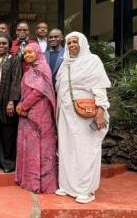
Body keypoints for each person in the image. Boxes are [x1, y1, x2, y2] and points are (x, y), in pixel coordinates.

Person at [55, 32, 111, 204]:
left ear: (83, 43)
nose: (72, 44)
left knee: (85, 150)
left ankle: (86, 190)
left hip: (86, 113)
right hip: (66, 115)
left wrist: (100, 112)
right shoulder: (65, 64)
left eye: (75, 41)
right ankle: (67, 185)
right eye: (69, 42)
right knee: (67, 149)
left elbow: (100, 87)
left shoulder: (92, 61)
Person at [15, 42, 57, 194]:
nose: (27, 55)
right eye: (25, 53)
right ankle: (29, 180)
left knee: (40, 148)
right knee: (30, 147)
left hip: (40, 114)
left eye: (30, 52)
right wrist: (23, 106)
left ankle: (40, 184)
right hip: (28, 112)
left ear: (38, 52)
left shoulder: (42, 67)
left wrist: (22, 106)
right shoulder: (30, 68)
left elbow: (39, 92)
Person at [0, 34, 21, 173]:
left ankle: (8, 163)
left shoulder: (14, 60)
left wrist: (11, 101)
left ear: (9, 45)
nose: (1, 46)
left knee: (7, 133)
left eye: (4, 44)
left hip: (6, 101)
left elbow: (16, 82)